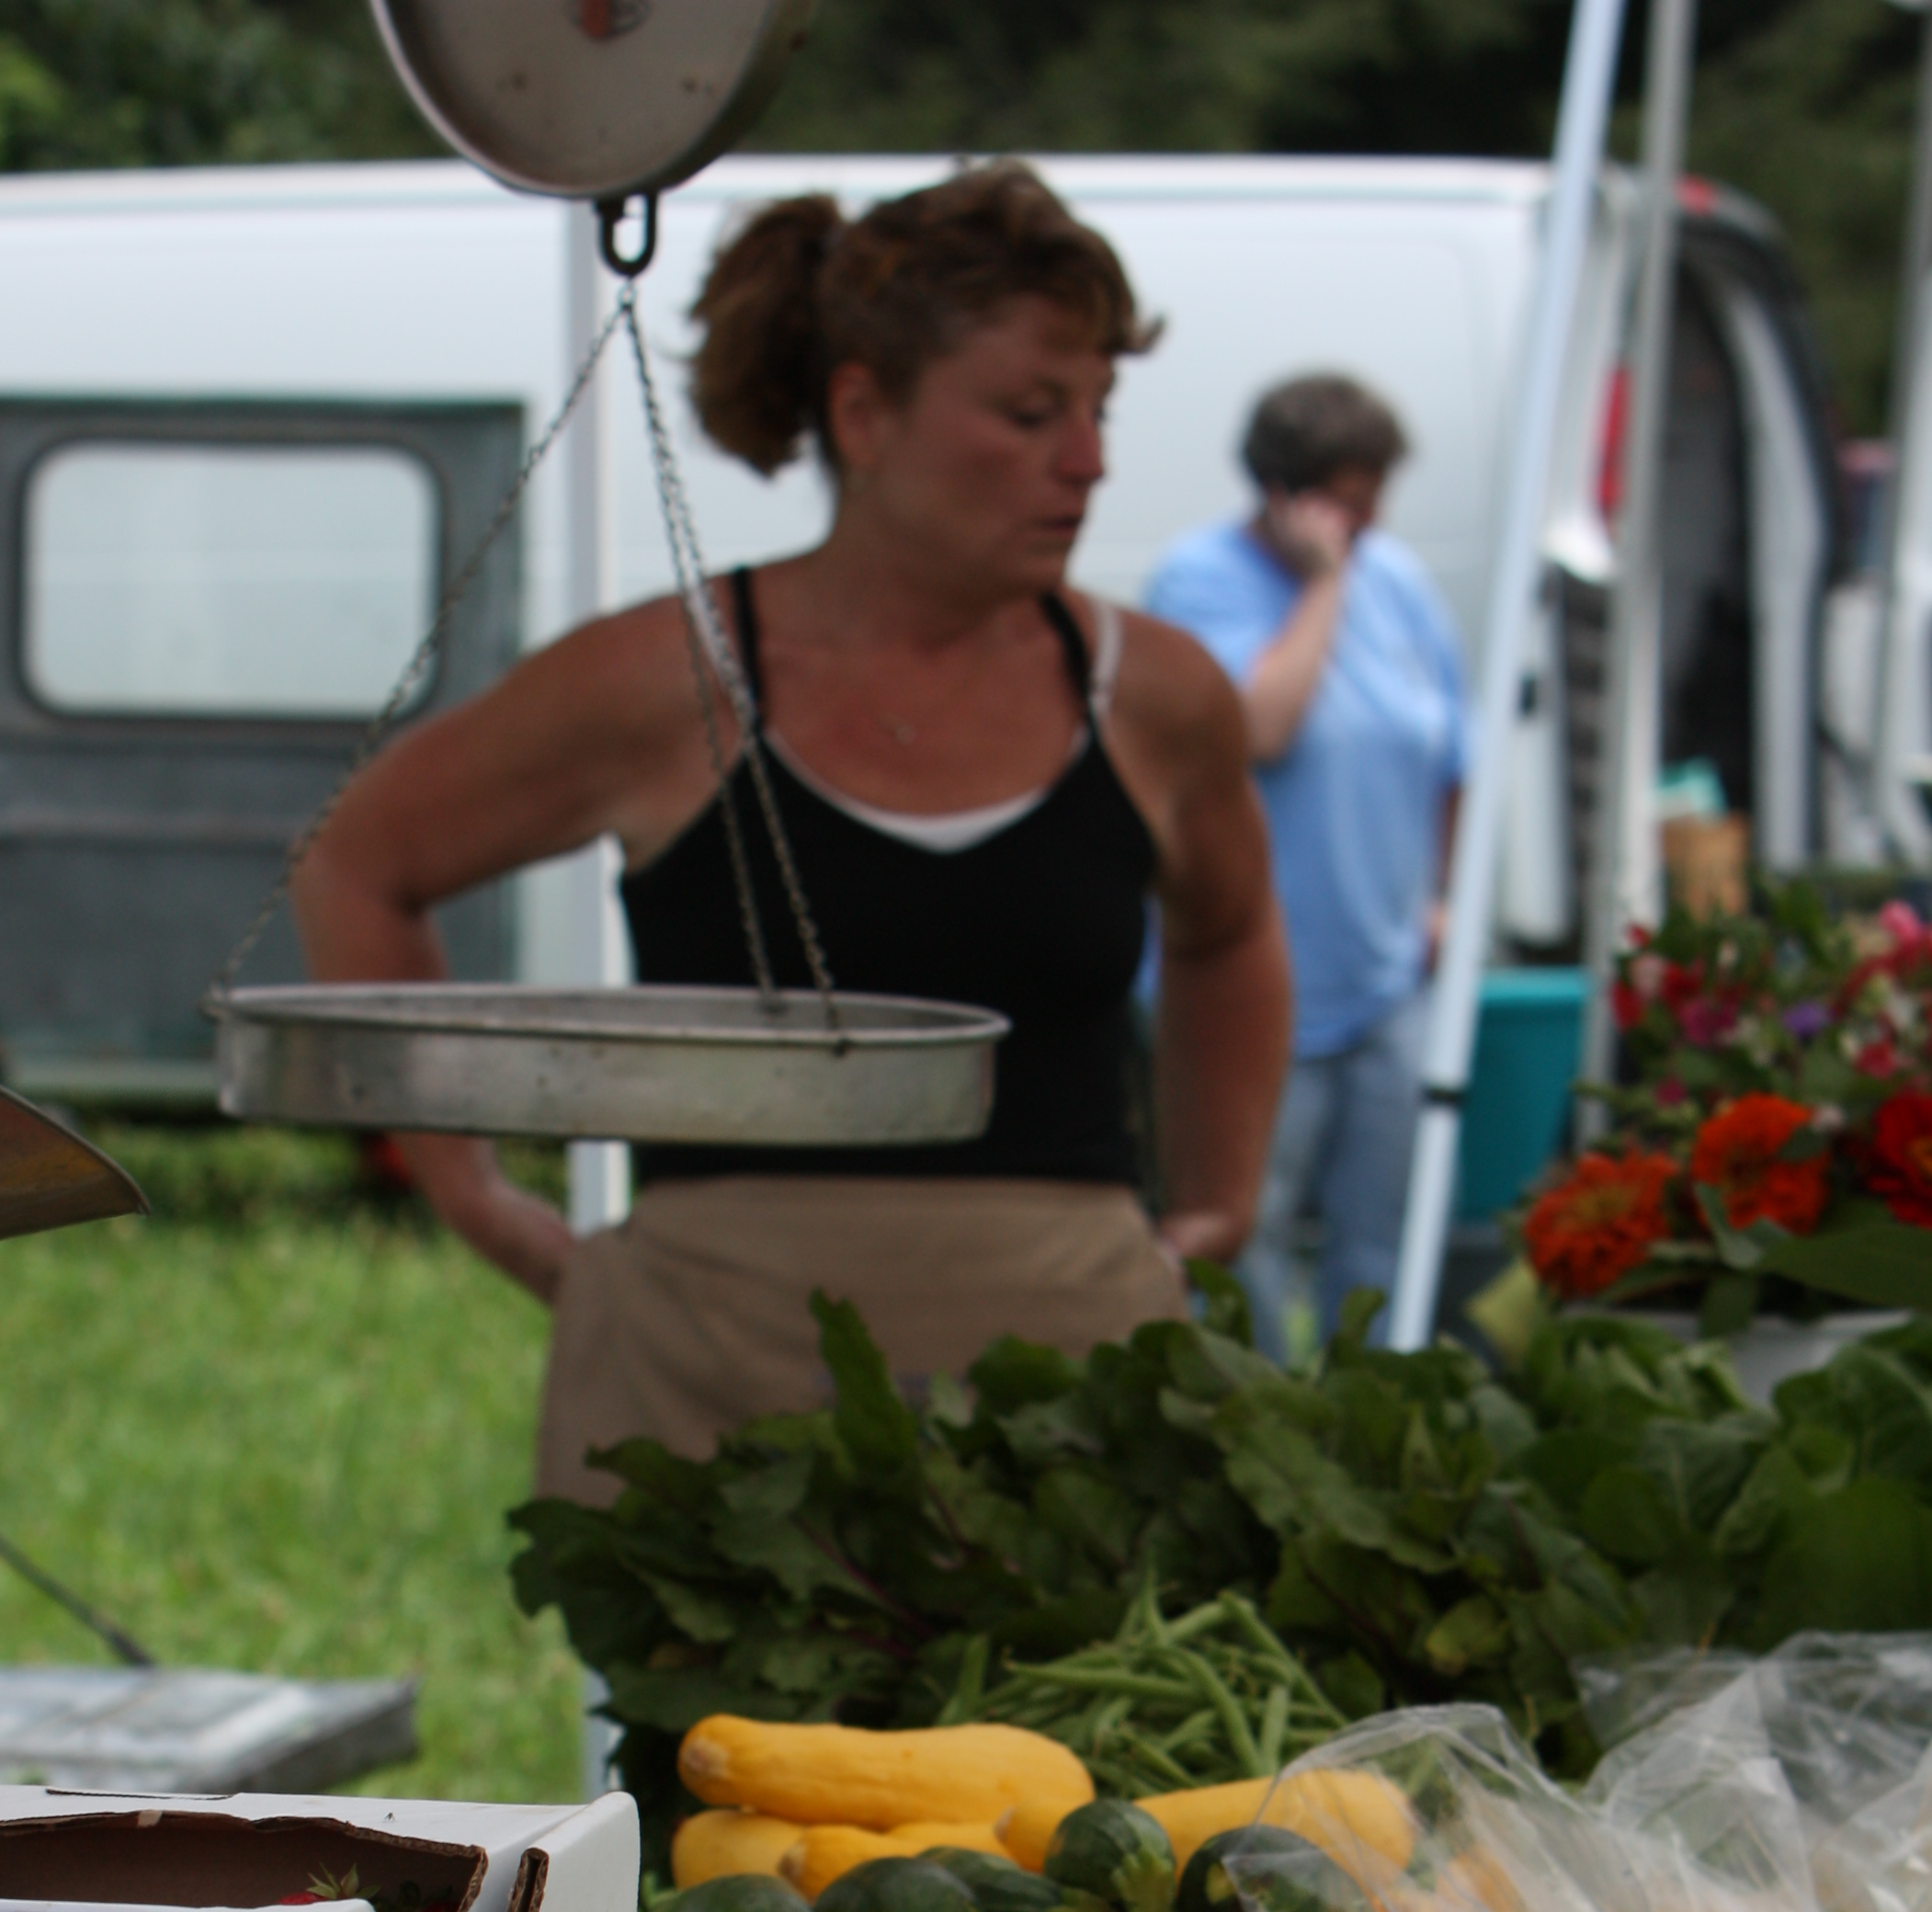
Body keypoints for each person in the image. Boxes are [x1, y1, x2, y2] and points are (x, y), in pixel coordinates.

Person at [293, 165, 1290, 1500]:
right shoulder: (668, 679)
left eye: (1101, 410)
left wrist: (1216, 1212)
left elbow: (1229, 937)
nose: (1089, 461)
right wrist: (473, 1197)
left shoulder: (1156, 697)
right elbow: (359, 860)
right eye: (1031, 411)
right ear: (864, 414)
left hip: (1070, 1378)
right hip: (712, 1375)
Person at [1145, 373, 1470, 1357]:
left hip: (1384, 983)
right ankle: (1254, 1438)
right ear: (1286, 494)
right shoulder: (1197, 582)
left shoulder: (1401, 583)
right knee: (1246, 1245)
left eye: (1376, 495)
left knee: (1379, 1252)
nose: (1368, 520)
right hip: (1251, 987)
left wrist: (1440, 899)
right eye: (1349, 496)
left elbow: (1451, 754)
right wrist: (1323, 583)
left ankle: (1369, 1439)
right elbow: (1261, 727)